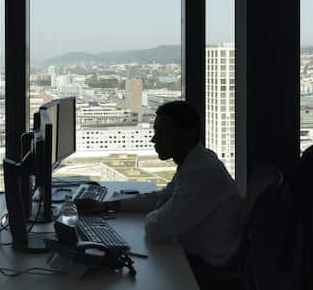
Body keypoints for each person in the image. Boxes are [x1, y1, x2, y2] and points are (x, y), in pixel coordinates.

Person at [75, 100, 244, 269]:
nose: (154, 139)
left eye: (164, 132)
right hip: (191, 251)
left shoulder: (202, 172)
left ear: (188, 134)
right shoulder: (196, 161)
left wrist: (160, 210)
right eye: (156, 131)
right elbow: (161, 197)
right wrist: (106, 206)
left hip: (207, 265)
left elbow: (157, 229)